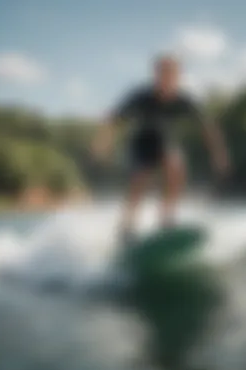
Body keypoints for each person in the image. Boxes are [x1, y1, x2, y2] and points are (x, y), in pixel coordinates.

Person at [93, 54, 232, 243]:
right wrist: (103, 143)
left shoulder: (184, 100)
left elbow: (208, 127)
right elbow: (112, 119)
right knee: (140, 178)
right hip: (140, 142)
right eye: (162, 75)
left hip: (164, 141)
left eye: (171, 75)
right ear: (156, 76)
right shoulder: (141, 96)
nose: (166, 80)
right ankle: (127, 226)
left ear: (177, 77)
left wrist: (219, 154)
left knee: (176, 166)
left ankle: (166, 219)